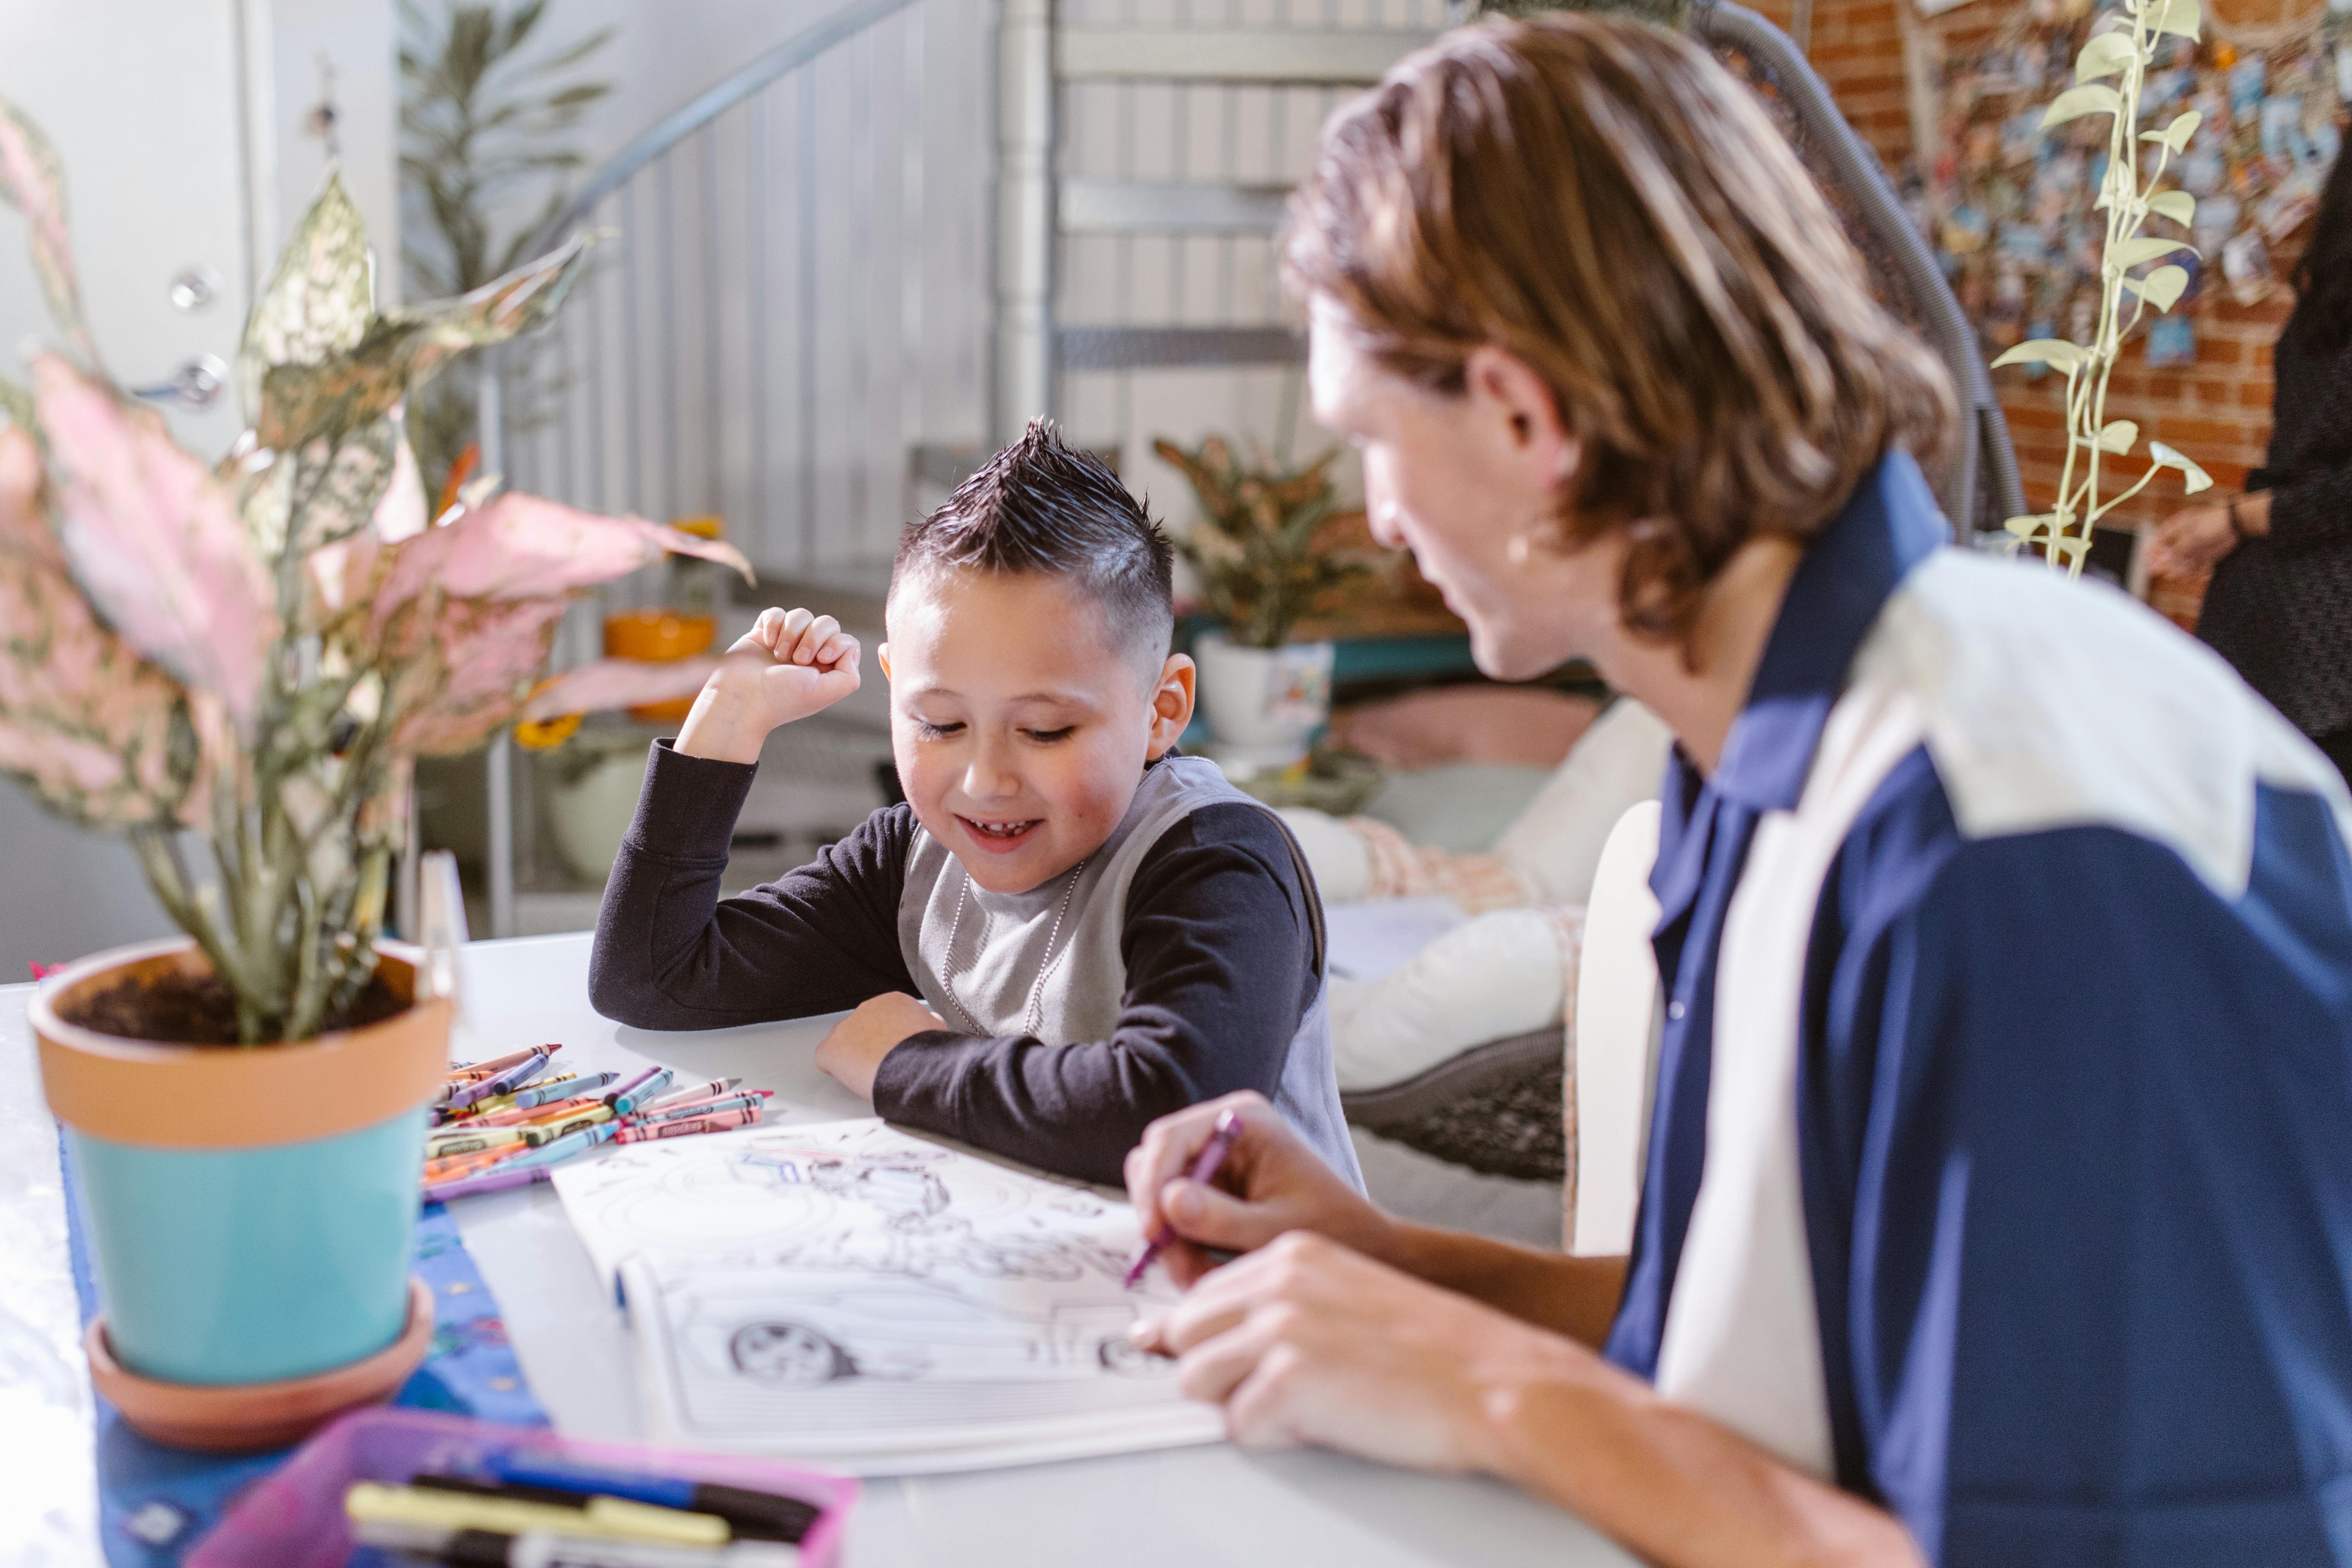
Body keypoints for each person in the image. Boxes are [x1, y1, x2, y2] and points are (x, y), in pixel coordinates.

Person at [1118, 16, 2352, 1568]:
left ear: (1520, 413)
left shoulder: (2015, 844)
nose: (1374, 517)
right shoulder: (1755, 738)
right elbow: (1764, 1347)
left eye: (1372, 438)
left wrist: (1486, 1383)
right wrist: (1384, 1260)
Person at [588, 422, 1360, 1189]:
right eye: (941, 724)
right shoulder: (919, 860)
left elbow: (1175, 1114)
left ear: (1162, 709)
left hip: (1271, 1300)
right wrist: (728, 715)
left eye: (1046, 730)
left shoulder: (1217, 862)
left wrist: (905, 1061)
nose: (986, 780)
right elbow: (655, 976)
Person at [2146, 145, 2352, 784]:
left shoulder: (2319, 306)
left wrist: (2234, 521)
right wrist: (2238, 519)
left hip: (2270, 615)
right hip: (2328, 646)